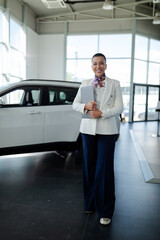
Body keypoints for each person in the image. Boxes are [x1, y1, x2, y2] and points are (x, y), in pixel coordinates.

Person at [72, 53, 123, 225]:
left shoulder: (114, 84)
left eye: (101, 63)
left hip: (107, 130)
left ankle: (106, 210)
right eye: (95, 64)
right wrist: (85, 106)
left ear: (106, 65)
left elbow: (119, 107)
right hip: (88, 131)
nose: (98, 66)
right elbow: (75, 104)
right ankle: (90, 203)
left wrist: (102, 113)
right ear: (91, 66)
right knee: (89, 167)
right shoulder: (85, 84)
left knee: (105, 169)